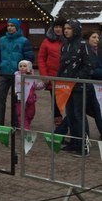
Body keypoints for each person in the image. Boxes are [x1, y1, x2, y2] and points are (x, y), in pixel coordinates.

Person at [55, 20, 93, 156]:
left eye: (69, 28)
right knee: (70, 114)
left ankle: (84, 146)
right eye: (65, 28)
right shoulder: (65, 45)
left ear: (76, 29)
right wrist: (58, 79)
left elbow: (89, 65)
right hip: (66, 86)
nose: (66, 30)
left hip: (79, 86)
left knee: (79, 115)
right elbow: (62, 64)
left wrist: (76, 79)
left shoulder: (84, 45)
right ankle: (74, 143)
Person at [0, 18, 34, 126]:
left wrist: (25, 69)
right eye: (8, 25)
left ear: (17, 27)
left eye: (12, 26)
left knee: (17, 100)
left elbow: (29, 57)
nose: (10, 27)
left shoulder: (24, 41)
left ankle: (16, 122)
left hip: (18, 75)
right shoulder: (2, 40)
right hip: (4, 72)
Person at [37, 16, 66, 125]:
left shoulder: (69, 41)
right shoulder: (46, 41)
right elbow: (41, 58)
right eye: (56, 27)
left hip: (66, 78)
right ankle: (59, 128)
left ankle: (71, 127)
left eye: (60, 27)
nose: (58, 29)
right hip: (52, 78)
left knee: (70, 106)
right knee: (56, 105)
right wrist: (45, 75)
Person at [83, 30, 102, 140]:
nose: (97, 40)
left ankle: (59, 133)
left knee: (95, 109)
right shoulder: (86, 51)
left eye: (97, 38)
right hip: (87, 85)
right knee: (82, 110)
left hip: (94, 86)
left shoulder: (97, 51)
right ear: (87, 39)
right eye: (94, 37)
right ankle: (59, 133)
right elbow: (92, 69)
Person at [14, 60, 44, 130]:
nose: (22, 68)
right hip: (20, 99)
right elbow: (15, 86)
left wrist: (43, 84)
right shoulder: (17, 76)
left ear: (29, 67)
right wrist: (16, 92)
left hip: (30, 100)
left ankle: (26, 123)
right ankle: (24, 126)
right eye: (20, 66)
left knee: (31, 113)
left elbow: (36, 86)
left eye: (24, 66)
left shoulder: (32, 77)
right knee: (21, 114)